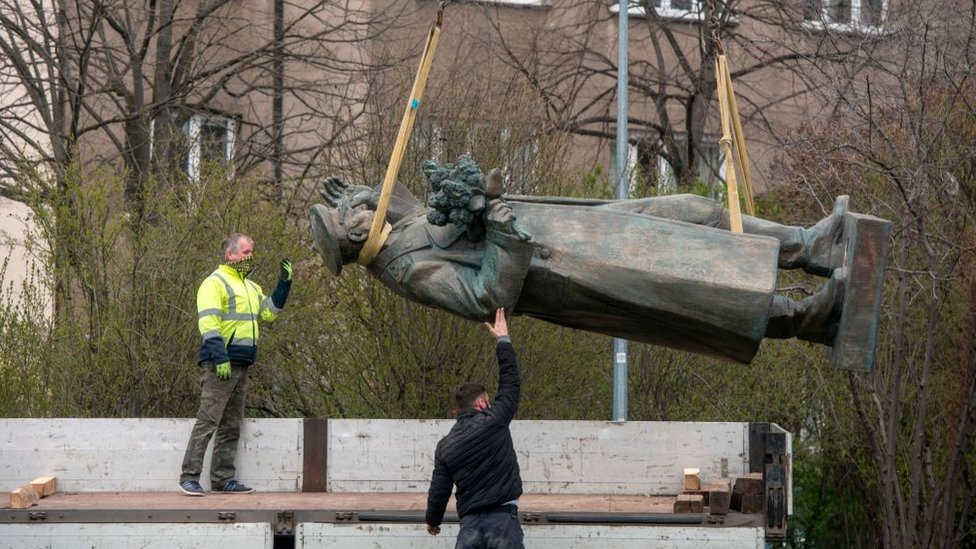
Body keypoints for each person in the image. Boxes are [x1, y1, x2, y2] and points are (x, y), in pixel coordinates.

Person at [309, 172, 851, 365]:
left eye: (350, 203)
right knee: (697, 293)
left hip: (572, 227)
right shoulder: (407, 270)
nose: (354, 205)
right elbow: (485, 298)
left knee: (696, 212)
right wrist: (497, 229)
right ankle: (806, 319)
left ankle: (809, 246)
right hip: (568, 272)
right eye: (348, 212)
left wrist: (368, 191)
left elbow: (407, 199)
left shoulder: (397, 228)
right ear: (358, 234)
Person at [178, 233, 293, 496]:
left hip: (242, 364)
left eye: (251, 252)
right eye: (245, 252)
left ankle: (222, 479)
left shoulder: (251, 287)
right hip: (221, 363)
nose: (250, 256)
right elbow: (208, 322)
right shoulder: (214, 283)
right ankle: (189, 477)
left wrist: (283, 284)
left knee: (231, 426)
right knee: (208, 421)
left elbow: (268, 314)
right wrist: (220, 357)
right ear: (230, 254)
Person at [426, 307, 525, 549]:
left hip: (469, 527)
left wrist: (433, 521)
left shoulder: (445, 446)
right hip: (503, 523)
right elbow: (510, 383)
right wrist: (503, 340)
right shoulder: (494, 420)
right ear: (482, 403)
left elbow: (439, 489)